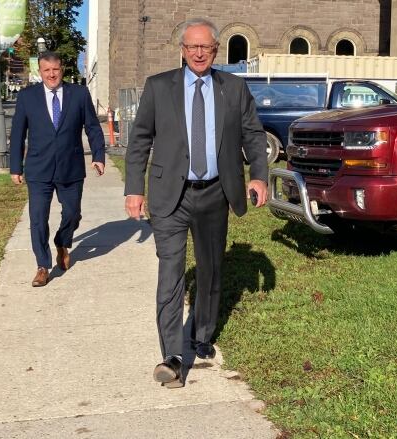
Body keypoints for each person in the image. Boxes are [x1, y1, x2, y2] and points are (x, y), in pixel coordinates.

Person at [124, 18, 269, 388]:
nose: (199, 53)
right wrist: (134, 189)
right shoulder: (159, 88)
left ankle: (202, 334)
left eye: (205, 47)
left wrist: (258, 174)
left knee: (210, 271)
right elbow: (140, 139)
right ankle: (172, 356)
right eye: (192, 47)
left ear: (215, 51)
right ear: (182, 50)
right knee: (170, 274)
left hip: (215, 193)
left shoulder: (234, 89)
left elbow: (253, 133)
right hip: (170, 194)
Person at [10, 51, 106, 287]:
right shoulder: (27, 96)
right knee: (37, 219)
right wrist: (15, 167)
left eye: (56, 69)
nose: (52, 74)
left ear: (62, 69)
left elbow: (92, 127)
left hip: (70, 167)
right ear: (39, 72)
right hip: (38, 168)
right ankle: (42, 266)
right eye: (46, 70)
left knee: (72, 213)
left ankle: (62, 241)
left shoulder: (79, 94)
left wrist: (98, 155)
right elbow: (18, 134)